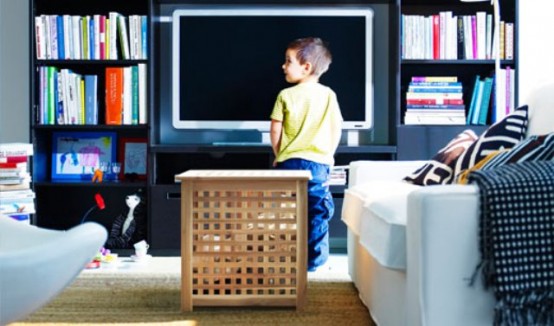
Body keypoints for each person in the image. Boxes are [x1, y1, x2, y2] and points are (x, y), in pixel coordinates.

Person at [270, 37, 343, 272]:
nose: (283, 66)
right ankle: (315, 263)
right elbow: (335, 128)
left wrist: (279, 153)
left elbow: (275, 128)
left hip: (289, 163)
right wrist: (329, 156)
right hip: (318, 165)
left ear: (307, 67)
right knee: (317, 212)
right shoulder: (329, 95)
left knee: (286, 212)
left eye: (288, 61)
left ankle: (285, 259)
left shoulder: (285, 95)